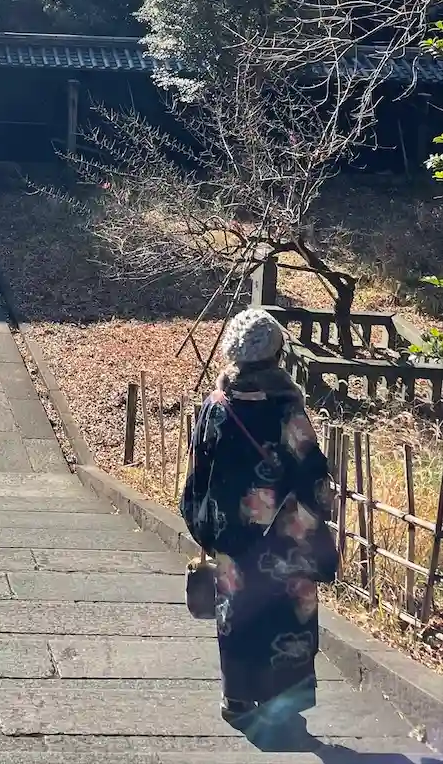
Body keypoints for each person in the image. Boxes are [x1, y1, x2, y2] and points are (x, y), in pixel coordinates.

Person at [180, 308, 336, 746]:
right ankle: (280, 700)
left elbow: (199, 476)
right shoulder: (287, 408)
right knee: (286, 612)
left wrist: (204, 527)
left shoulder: (216, 407)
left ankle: (237, 699)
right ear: (276, 354)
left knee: (238, 614)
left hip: (234, 538)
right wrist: (318, 510)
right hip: (288, 535)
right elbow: (312, 470)